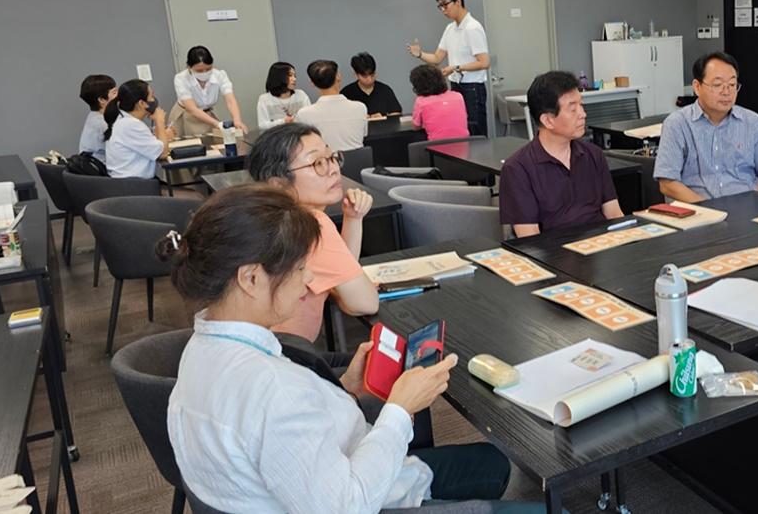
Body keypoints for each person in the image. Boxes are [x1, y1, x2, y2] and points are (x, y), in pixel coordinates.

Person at [163, 183, 533, 513]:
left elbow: (286, 441)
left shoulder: (201, 350)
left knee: (493, 463)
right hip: (369, 494)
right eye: (300, 269)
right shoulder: (272, 389)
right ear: (252, 277)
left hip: (352, 472)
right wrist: (400, 410)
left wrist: (344, 392)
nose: (310, 282)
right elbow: (347, 503)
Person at [247, 123, 380, 343]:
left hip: (257, 357)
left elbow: (340, 275)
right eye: (318, 163)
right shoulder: (309, 223)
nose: (333, 169)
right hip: (284, 363)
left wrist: (353, 218)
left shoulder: (267, 216)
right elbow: (364, 303)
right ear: (279, 183)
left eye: (332, 157)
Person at [500, 71, 624, 238]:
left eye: (582, 105)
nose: (583, 114)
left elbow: (614, 214)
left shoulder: (593, 155)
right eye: (573, 109)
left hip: (601, 252)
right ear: (548, 120)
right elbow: (529, 241)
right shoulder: (517, 169)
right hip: (554, 256)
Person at [654, 52, 758, 203]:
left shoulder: (752, 122)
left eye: (732, 85)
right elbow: (667, 184)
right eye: (717, 85)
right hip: (697, 213)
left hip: (745, 211)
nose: (726, 92)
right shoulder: (677, 124)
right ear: (697, 86)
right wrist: (707, 210)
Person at [406, 0, 490, 136]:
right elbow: (437, 58)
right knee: (459, 131)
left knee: (476, 131)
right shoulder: (450, 29)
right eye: (440, 7)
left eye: (445, 5)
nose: (443, 10)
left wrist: (455, 67)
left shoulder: (473, 28)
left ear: (458, 1)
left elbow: (484, 62)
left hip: (472, 87)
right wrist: (420, 54)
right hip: (456, 85)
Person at [170, 45, 248, 136]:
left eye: (208, 69)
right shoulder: (181, 78)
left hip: (208, 115)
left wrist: (237, 120)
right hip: (186, 116)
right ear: (189, 67)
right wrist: (217, 124)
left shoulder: (219, 75)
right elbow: (192, 109)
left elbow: (230, 100)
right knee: (189, 146)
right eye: (199, 71)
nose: (204, 73)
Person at [103, 79, 174, 179]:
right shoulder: (130, 125)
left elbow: (157, 144)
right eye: (151, 96)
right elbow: (163, 153)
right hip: (134, 185)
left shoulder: (124, 119)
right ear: (142, 103)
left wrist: (162, 132)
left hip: (130, 182)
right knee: (196, 195)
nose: (154, 100)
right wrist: (160, 121)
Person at [295, 59, 369, 151]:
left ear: (312, 83)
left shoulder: (304, 114)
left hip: (324, 163)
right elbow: (364, 134)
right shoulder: (360, 108)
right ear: (338, 76)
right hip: (359, 163)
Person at [409, 63, 468, 141]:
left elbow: (416, 126)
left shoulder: (421, 101)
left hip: (438, 146)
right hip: (465, 143)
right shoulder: (458, 96)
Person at [342, 51, 403, 118]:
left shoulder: (385, 90)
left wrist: (384, 117)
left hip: (383, 127)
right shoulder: (347, 93)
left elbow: (397, 113)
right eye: (365, 77)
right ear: (356, 75)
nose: (370, 80)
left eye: (372, 75)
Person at [256, 62, 311, 130]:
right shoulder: (265, 99)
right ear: (278, 77)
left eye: (294, 75)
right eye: (290, 75)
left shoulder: (301, 95)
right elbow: (262, 125)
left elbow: (309, 117)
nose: (294, 79)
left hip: (299, 133)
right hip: (277, 136)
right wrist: (283, 121)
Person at [78, 74, 116, 163]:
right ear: (102, 100)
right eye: (114, 92)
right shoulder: (103, 124)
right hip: (107, 172)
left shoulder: (93, 116)